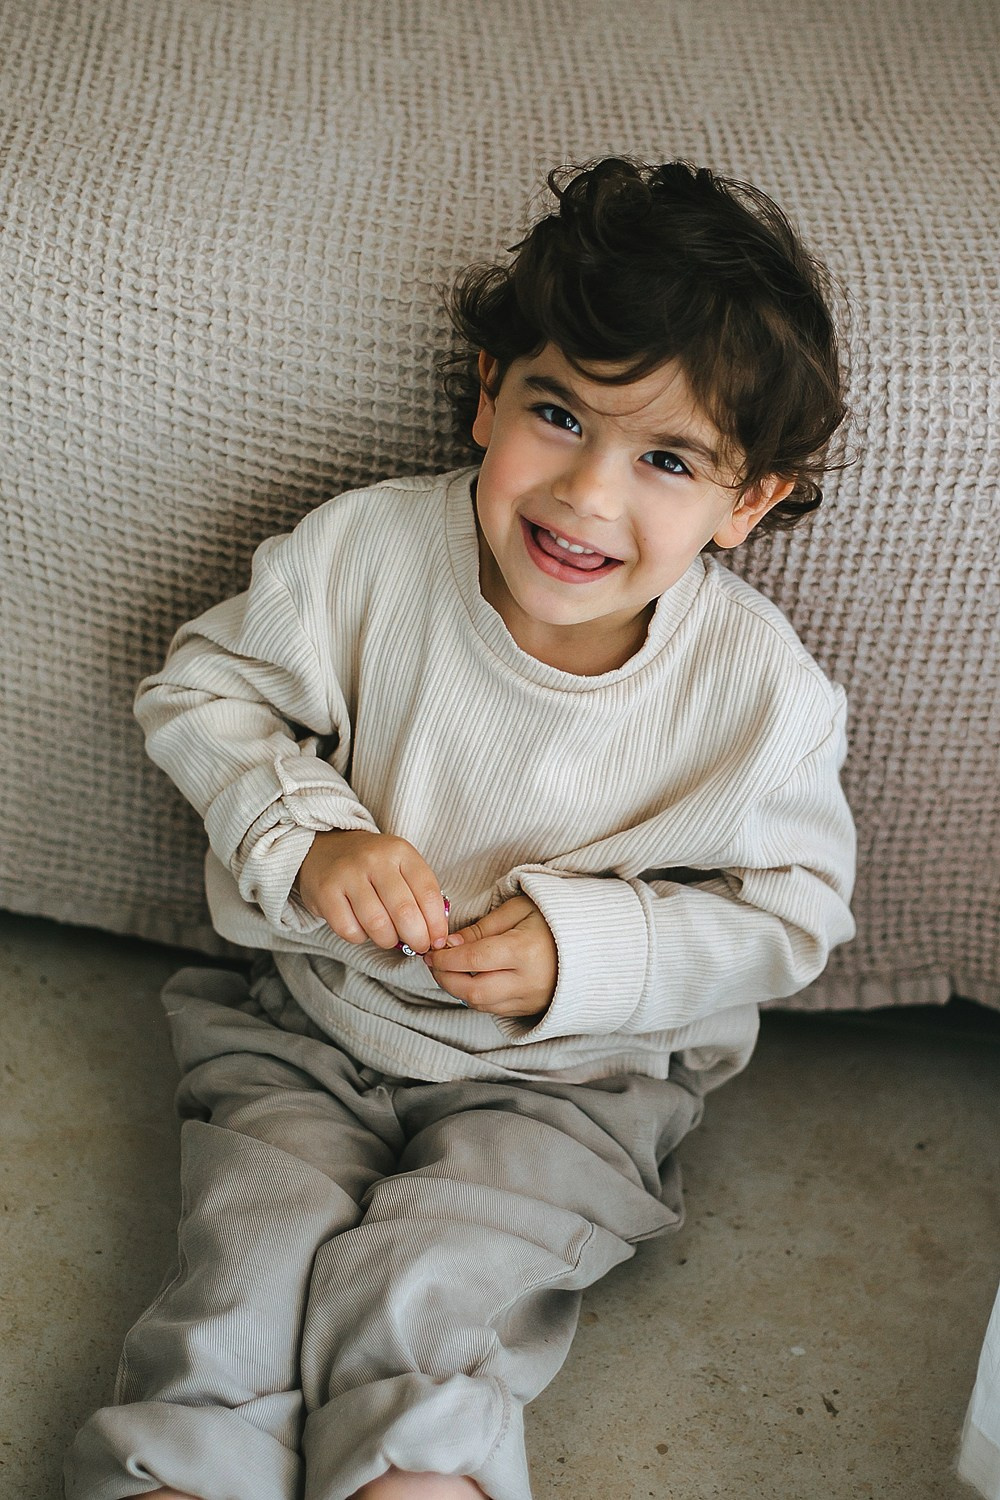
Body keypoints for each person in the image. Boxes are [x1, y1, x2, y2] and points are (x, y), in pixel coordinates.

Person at [65, 157, 857, 1500]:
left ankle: (419, 1476)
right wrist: (311, 836)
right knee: (248, 1267)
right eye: (559, 414)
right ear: (489, 393)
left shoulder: (759, 698)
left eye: (665, 458)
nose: (586, 495)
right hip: (312, 1019)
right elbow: (199, 693)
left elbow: (794, 917)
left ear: (747, 502)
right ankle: (179, 1469)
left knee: (428, 1288)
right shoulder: (367, 555)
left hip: (573, 1085)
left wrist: (585, 952)